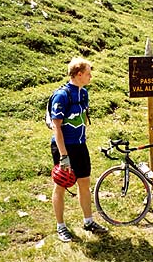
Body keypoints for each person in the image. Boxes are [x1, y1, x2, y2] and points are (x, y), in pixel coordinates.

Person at [50, 57, 108, 242]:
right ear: (79, 74)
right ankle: (61, 227)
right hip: (64, 148)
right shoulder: (62, 96)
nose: (91, 76)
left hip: (80, 145)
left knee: (84, 183)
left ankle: (88, 221)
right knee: (61, 185)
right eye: (89, 73)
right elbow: (56, 127)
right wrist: (64, 156)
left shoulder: (84, 94)